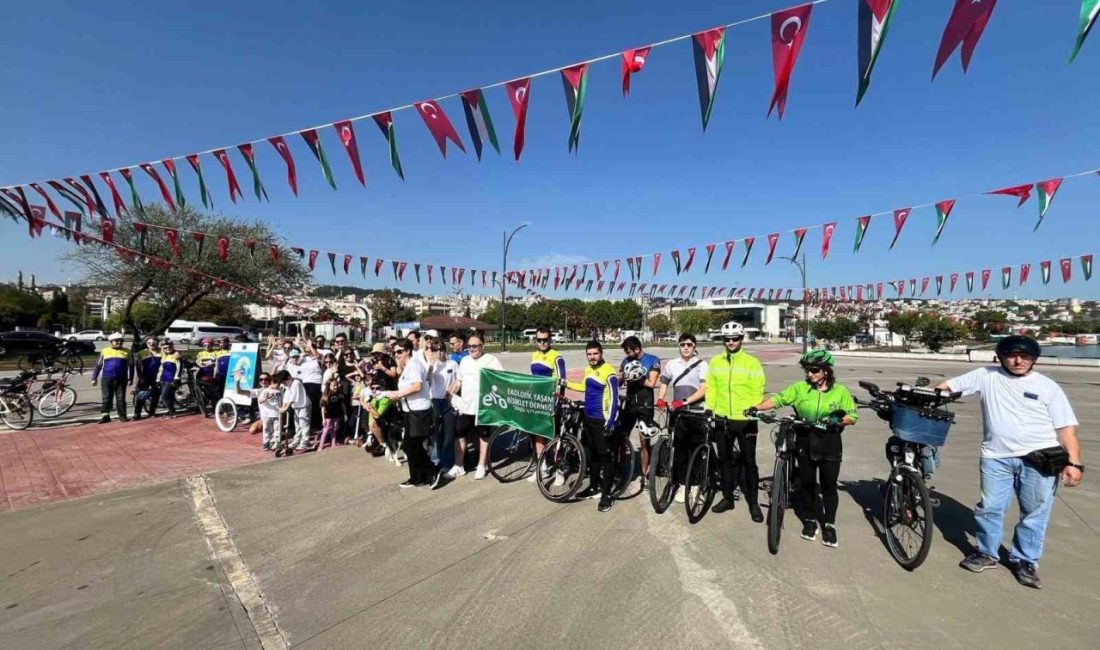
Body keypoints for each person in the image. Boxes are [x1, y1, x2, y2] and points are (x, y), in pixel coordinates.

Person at [938, 335, 1082, 589]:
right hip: (996, 457)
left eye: (1025, 357)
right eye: (1012, 356)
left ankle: (1025, 560)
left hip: (1039, 458)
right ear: (1000, 357)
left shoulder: (1047, 387)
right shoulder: (986, 375)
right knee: (990, 507)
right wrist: (933, 394)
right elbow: (948, 385)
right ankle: (987, 553)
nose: (1018, 361)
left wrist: (1074, 463)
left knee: (1035, 512)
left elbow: (1066, 428)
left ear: (1034, 360)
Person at [749, 349, 857, 548]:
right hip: (805, 439)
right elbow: (779, 399)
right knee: (807, 483)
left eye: (814, 370)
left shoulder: (840, 391)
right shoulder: (800, 388)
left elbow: (852, 415)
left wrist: (837, 420)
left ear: (826, 370)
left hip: (830, 442)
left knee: (828, 486)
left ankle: (830, 524)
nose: (810, 375)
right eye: (807, 371)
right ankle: (809, 520)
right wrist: (757, 407)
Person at [705, 323, 767, 522]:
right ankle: (727, 498)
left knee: (750, 463)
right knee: (725, 461)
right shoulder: (715, 362)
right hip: (722, 418)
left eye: (735, 338)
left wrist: (754, 408)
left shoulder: (752, 362)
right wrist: (710, 408)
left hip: (745, 420)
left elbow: (758, 388)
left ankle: (754, 504)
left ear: (742, 339)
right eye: (727, 339)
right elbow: (712, 388)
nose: (731, 342)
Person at [567, 340, 621, 513]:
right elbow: (584, 386)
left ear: (601, 353)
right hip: (588, 419)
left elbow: (615, 399)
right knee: (592, 456)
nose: (592, 357)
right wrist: (565, 383)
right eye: (589, 354)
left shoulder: (609, 373)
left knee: (605, 458)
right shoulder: (589, 370)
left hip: (602, 420)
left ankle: (607, 495)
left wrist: (610, 421)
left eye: (595, 354)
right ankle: (593, 487)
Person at [656, 333, 708, 504]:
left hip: (697, 412)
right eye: (683, 344)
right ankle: (683, 485)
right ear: (678, 346)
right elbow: (664, 382)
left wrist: (684, 401)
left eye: (689, 345)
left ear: (694, 347)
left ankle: (696, 487)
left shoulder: (702, 365)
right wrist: (661, 399)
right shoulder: (672, 364)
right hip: (678, 413)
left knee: (696, 450)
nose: (686, 347)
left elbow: (703, 389)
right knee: (679, 451)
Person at [384, 339, 442, 489]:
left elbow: (417, 386)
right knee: (409, 446)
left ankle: (433, 470)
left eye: (399, 352)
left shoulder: (414, 364)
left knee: (413, 445)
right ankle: (417, 477)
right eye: (394, 352)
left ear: (407, 351)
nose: (396, 355)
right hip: (409, 411)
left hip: (419, 411)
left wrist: (398, 394)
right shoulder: (407, 367)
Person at [450, 334, 503, 479]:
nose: (471, 349)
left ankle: (481, 465)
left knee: (483, 436)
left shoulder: (491, 360)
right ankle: (458, 465)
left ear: (482, 346)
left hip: (483, 407)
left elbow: (501, 380)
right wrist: (451, 391)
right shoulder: (465, 361)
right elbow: (459, 380)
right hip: (465, 406)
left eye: (475, 346)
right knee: (460, 434)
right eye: (469, 346)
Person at [618, 335, 660, 484]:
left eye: (629, 352)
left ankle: (644, 474)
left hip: (645, 404)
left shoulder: (653, 360)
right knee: (622, 436)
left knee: (644, 441)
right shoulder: (626, 361)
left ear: (637, 349)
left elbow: (652, 383)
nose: (627, 356)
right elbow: (619, 380)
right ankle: (619, 467)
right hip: (629, 404)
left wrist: (638, 376)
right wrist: (622, 377)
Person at [529, 325, 567, 480]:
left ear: (550, 339)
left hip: (551, 400)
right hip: (537, 400)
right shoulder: (534, 355)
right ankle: (542, 465)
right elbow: (533, 378)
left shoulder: (557, 357)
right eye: (539, 340)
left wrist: (558, 404)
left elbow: (562, 381)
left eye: (545, 340)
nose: (542, 343)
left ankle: (560, 470)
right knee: (538, 434)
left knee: (554, 436)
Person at [427, 338, 459, 475]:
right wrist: (431, 364)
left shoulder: (452, 363)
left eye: (441, 349)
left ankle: (448, 462)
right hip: (435, 401)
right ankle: (437, 459)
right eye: (435, 350)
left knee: (449, 434)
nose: (439, 352)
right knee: (437, 434)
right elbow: (427, 379)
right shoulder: (432, 366)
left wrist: (451, 391)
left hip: (449, 401)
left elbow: (458, 379)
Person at [91, 332, 134, 423]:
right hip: (107, 378)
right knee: (106, 398)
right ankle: (105, 416)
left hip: (122, 379)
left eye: (121, 341)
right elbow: (98, 366)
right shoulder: (104, 351)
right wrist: (94, 378)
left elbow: (131, 366)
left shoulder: (127, 351)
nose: (119, 342)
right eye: (116, 341)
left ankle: (122, 416)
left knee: (121, 399)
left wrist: (131, 378)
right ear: (111, 342)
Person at [235, 371, 282, 450]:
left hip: (277, 415)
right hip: (265, 417)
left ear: (270, 380)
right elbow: (239, 391)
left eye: (266, 379)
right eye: (261, 379)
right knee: (253, 430)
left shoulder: (278, 388)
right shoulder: (258, 391)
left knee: (277, 429)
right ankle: (267, 442)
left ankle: (276, 440)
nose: (263, 381)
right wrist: (237, 382)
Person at [276, 369, 311, 451]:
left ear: (289, 377)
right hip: (296, 407)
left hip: (304, 406)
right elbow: (287, 397)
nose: (284, 383)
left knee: (304, 424)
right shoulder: (288, 385)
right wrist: (283, 407)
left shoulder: (296, 383)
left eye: (284, 381)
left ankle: (304, 442)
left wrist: (286, 408)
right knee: (297, 425)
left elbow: (292, 398)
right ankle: (297, 440)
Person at [133, 337, 162, 420]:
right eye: (149, 342)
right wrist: (140, 377)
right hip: (145, 377)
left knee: (156, 395)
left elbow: (173, 352)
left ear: (157, 343)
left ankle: (152, 412)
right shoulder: (142, 353)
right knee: (141, 395)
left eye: (154, 342)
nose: (152, 344)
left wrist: (177, 353)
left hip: (158, 377)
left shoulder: (162, 352)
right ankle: (137, 413)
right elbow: (138, 367)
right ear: (146, 344)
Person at [298, 340, 324, 431]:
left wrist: (311, 346)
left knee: (315, 404)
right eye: (307, 348)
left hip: (316, 382)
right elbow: (295, 361)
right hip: (305, 383)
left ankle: (317, 425)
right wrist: (301, 348)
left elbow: (317, 356)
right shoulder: (304, 358)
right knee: (306, 405)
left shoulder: (319, 357)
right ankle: (308, 425)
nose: (308, 349)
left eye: (310, 348)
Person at [318, 376, 345, 451]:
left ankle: (333, 443)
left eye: (336, 385)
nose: (335, 387)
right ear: (329, 386)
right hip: (328, 416)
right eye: (333, 386)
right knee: (326, 430)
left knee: (335, 429)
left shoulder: (339, 395)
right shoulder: (326, 396)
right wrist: (323, 419)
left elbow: (343, 405)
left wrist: (345, 414)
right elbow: (323, 408)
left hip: (336, 415)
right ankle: (321, 445)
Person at [157, 341, 182, 418]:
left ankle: (172, 412)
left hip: (172, 379)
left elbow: (179, 368)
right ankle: (171, 411)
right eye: (165, 348)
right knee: (169, 397)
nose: (168, 349)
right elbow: (161, 369)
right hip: (163, 379)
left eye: (169, 347)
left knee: (164, 396)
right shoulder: (164, 356)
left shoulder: (176, 355)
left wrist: (177, 378)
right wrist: (158, 379)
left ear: (172, 347)